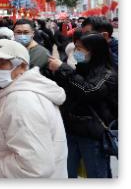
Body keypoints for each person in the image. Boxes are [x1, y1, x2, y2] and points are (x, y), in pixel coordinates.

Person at [0, 39, 67, 178]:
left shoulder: (21, 101)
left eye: (1, 63)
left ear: (22, 66)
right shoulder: (24, 90)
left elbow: (34, 167)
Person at [47, 33, 118, 178]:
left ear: (94, 51)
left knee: (96, 174)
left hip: (92, 134)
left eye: (79, 49)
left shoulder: (107, 74)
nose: (76, 53)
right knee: (66, 172)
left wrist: (63, 68)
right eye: (75, 49)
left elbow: (89, 91)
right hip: (70, 129)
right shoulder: (81, 67)